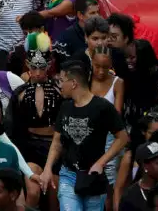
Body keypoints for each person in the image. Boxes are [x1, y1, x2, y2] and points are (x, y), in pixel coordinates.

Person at [38, 61, 128, 211]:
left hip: (93, 176)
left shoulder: (103, 107)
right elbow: (57, 141)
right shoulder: (65, 107)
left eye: (62, 81)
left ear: (73, 83)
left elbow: (123, 138)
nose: (60, 86)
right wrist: (47, 168)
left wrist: (101, 162)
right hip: (68, 174)